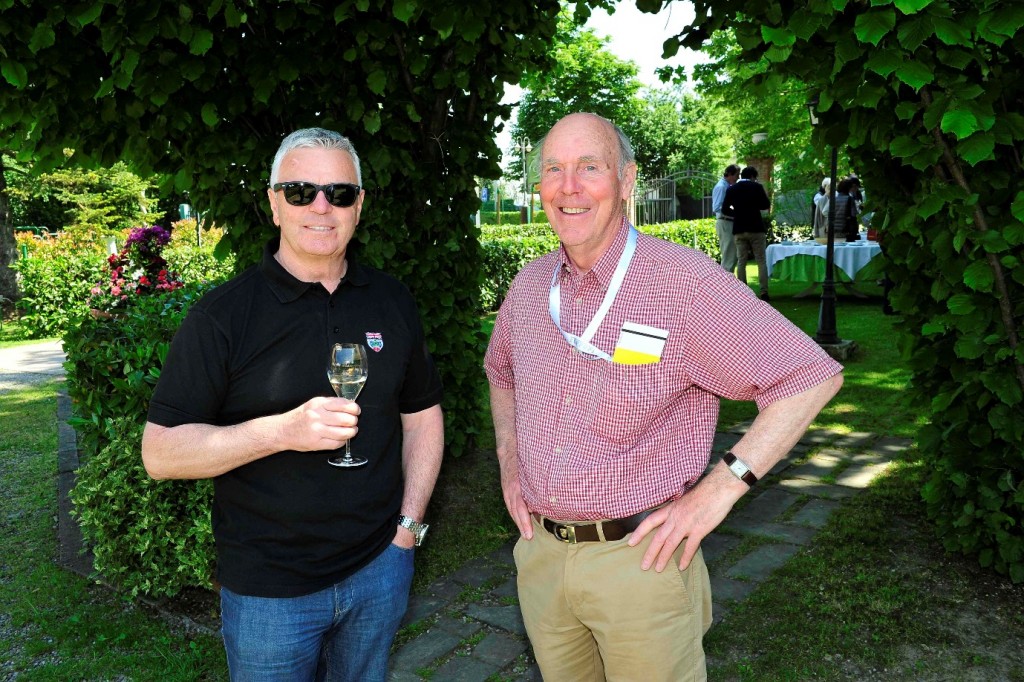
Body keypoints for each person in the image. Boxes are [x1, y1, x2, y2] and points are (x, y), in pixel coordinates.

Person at [484, 112, 843, 681]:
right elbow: (500, 371)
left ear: (626, 181)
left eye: (589, 167)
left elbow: (809, 375)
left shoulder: (682, 282)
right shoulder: (529, 287)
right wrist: (509, 461)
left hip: (641, 560)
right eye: (554, 168)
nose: (568, 185)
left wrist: (718, 493)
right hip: (541, 557)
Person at [141, 128, 445, 681]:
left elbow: (422, 413)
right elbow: (161, 454)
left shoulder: (392, 299)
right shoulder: (223, 316)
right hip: (268, 592)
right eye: (302, 191)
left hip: (380, 566)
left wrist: (409, 527)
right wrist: (279, 432)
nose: (321, 207)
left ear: (359, 206)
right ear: (274, 203)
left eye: (340, 193)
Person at [722, 165, 772, 301]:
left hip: (739, 228)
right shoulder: (757, 187)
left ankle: (744, 292)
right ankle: (764, 291)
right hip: (756, 227)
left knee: (741, 260)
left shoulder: (732, 189)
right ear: (752, 177)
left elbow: (725, 209)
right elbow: (765, 204)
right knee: (761, 260)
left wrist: (737, 213)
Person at [711, 164, 741, 274]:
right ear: (729, 174)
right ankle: (725, 283)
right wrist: (735, 211)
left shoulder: (727, 186)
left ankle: (727, 283)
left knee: (732, 255)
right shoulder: (721, 187)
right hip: (725, 222)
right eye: (737, 175)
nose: (738, 178)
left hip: (728, 222)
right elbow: (717, 207)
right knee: (729, 255)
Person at [833, 176, 860, 242]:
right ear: (848, 188)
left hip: (835, 229)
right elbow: (854, 215)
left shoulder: (834, 199)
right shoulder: (849, 199)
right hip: (847, 230)